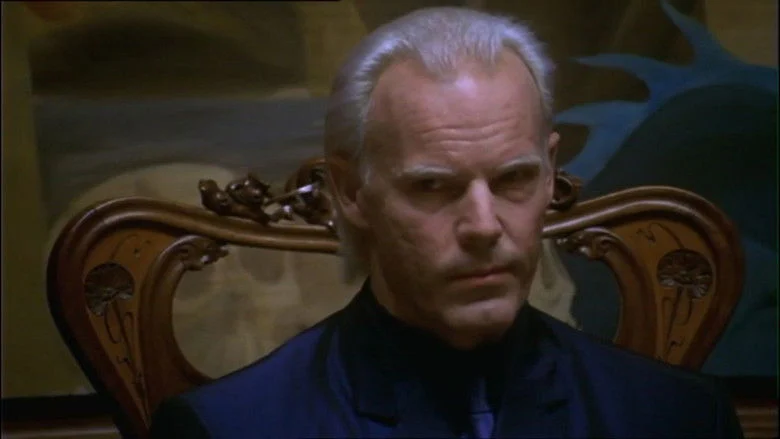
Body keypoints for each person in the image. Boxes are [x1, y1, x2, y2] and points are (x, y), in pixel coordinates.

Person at [150, 7, 743, 438]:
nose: (484, 226)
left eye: (513, 178)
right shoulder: (229, 429)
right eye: (432, 186)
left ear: (550, 173)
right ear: (352, 192)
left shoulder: (679, 417)